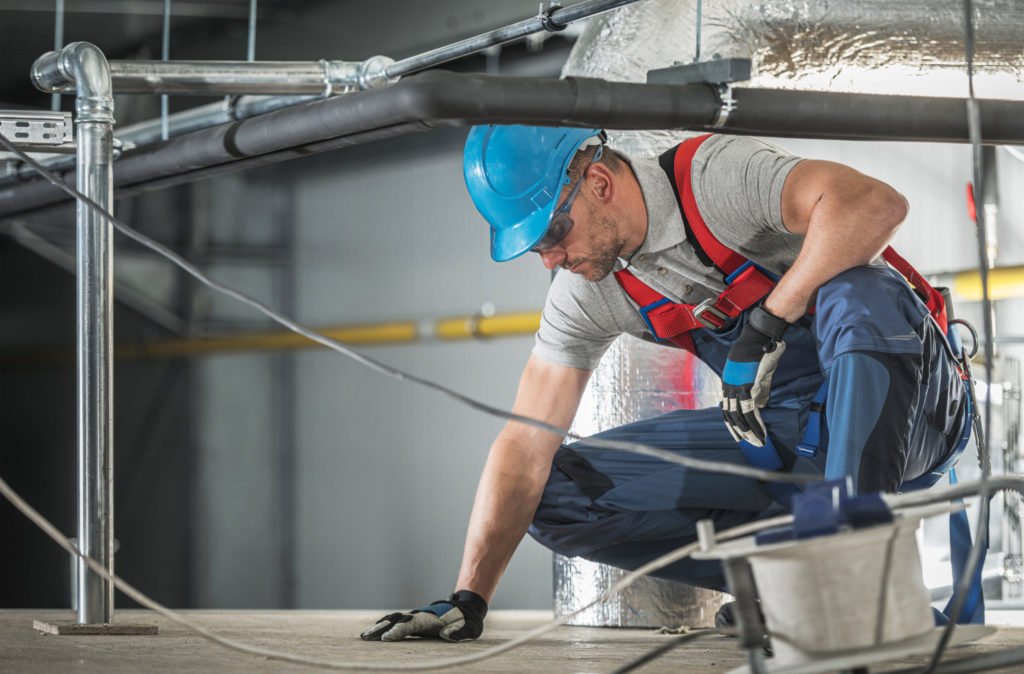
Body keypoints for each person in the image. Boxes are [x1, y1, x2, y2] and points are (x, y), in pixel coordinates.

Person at [360, 126, 971, 642]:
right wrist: (469, 597)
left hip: (910, 406)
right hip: (791, 429)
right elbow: (524, 448)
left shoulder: (713, 180)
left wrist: (770, 318)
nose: (548, 259)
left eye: (551, 234)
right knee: (558, 495)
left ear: (598, 185)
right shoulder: (587, 292)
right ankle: (786, 585)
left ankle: (857, 580)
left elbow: (874, 204)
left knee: (858, 292)